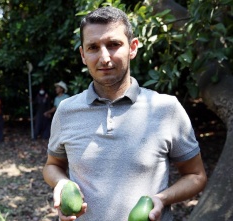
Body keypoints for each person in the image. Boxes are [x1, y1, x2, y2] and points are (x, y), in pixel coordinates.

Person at [42, 6, 207, 221]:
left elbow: (195, 175)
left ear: (133, 47)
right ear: (83, 55)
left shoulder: (166, 108)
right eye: (93, 47)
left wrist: (162, 199)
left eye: (114, 45)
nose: (104, 58)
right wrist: (62, 183)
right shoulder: (66, 111)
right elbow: (52, 165)